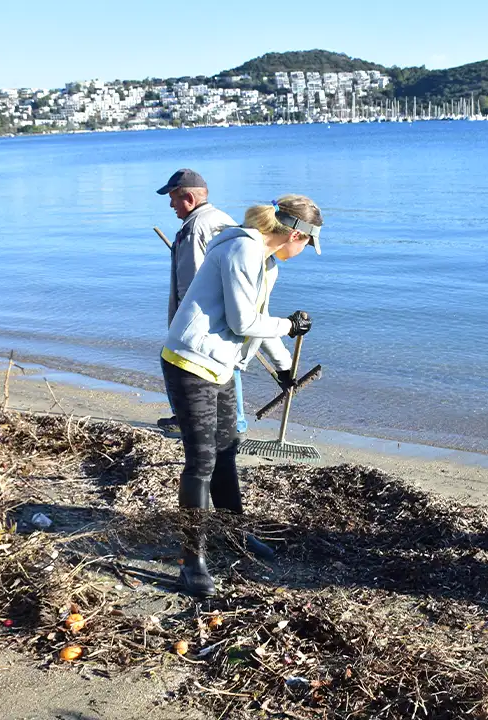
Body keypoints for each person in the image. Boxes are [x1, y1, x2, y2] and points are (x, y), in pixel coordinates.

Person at [160, 194, 323, 596]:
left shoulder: (265, 262)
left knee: (228, 449)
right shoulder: (242, 249)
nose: (304, 252)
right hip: (189, 362)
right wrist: (289, 325)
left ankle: (233, 535)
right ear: (296, 235)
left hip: (219, 365)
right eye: (308, 244)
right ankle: (191, 560)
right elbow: (244, 320)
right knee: (200, 462)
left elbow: (253, 322)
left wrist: (285, 368)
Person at [155, 169, 234, 435]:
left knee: (181, 363)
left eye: (173, 198)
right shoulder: (223, 219)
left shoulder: (193, 227)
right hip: (225, 310)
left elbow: (189, 281)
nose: (171, 204)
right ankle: (231, 423)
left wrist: (181, 322)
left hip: (198, 315)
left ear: (188, 197)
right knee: (223, 365)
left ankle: (185, 419)